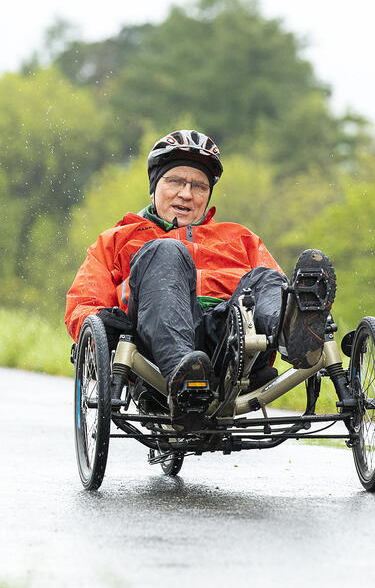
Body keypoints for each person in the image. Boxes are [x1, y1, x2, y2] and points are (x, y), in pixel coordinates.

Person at [64, 129, 336, 417]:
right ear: (154, 186)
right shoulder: (117, 239)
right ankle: (186, 376)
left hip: (231, 342)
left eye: (199, 186)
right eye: (175, 181)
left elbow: (272, 289)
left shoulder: (240, 238)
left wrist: (296, 310)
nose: (186, 194)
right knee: (165, 251)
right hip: (155, 345)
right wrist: (99, 321)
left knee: (266, 278)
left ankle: (293, 333)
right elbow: (82, 305)